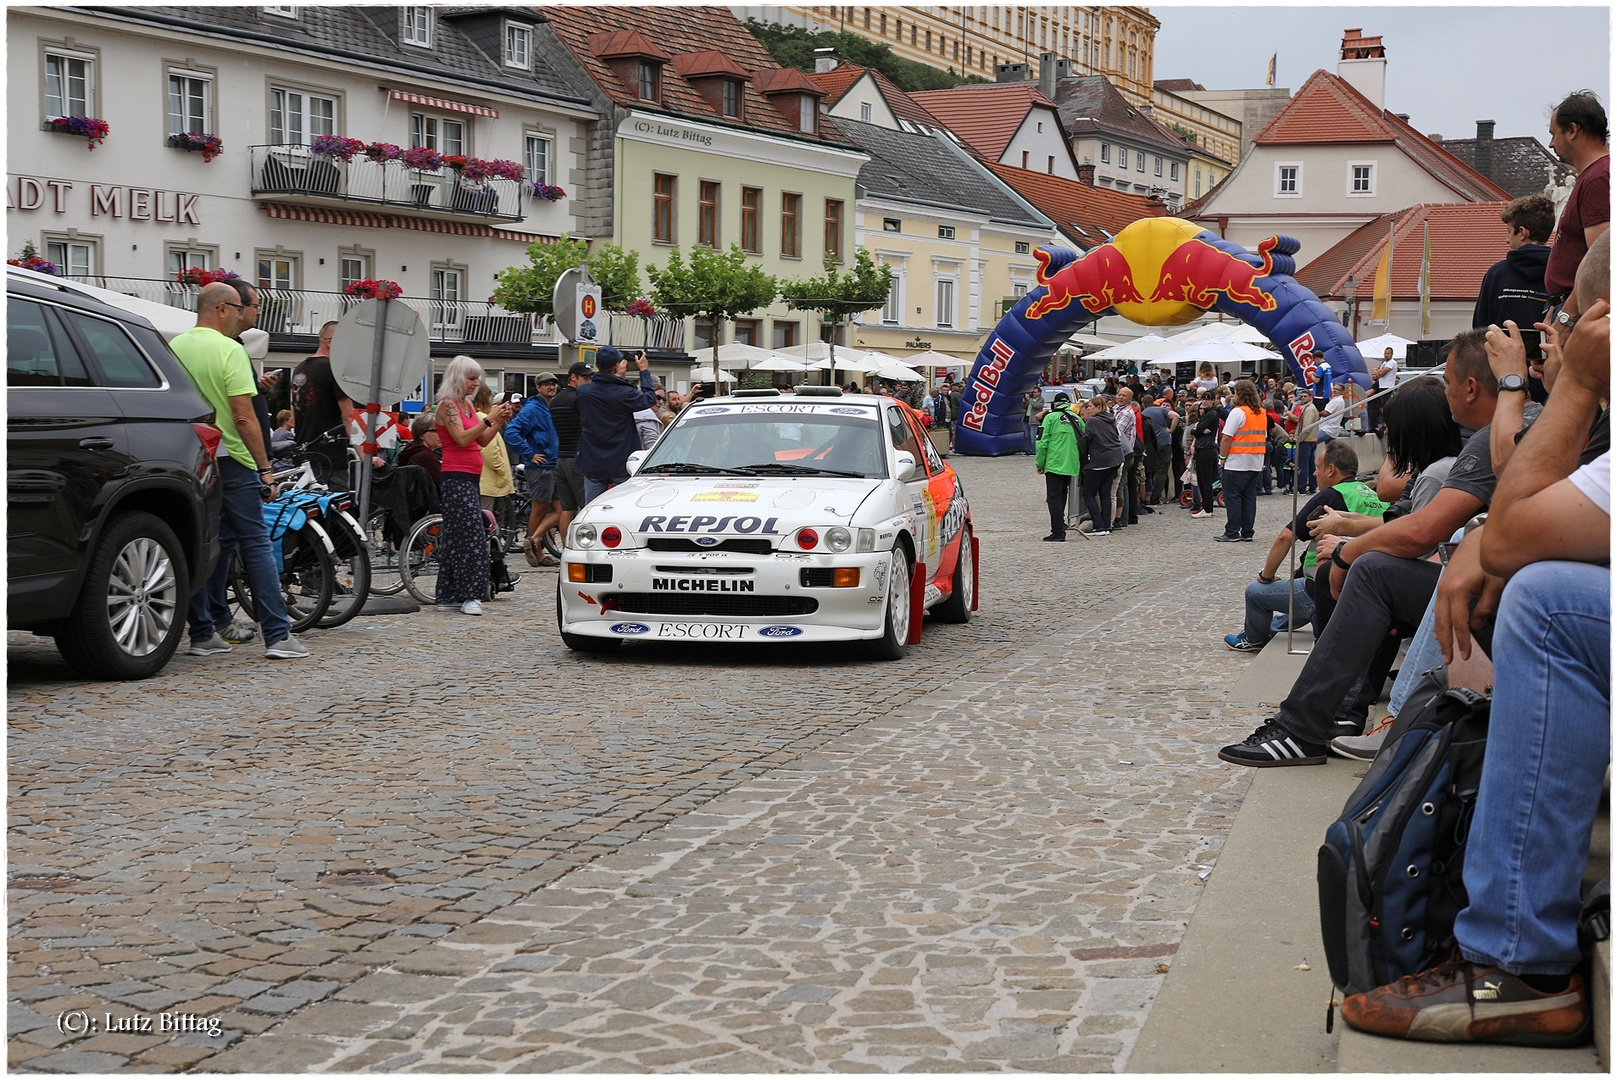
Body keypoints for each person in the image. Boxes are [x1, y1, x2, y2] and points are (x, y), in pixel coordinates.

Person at [1340, 296, 1610, 1049]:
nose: (1544, 345)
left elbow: (1507, 525)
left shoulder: (1555, 404)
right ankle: (1353, 723)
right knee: (1495, 581)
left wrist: (1564, 388)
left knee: (1540, 601)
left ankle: (1513, 958)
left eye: (1557, 330)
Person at [1218, 331, 1510, 766]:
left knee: (1365, 570)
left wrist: (1344, 551)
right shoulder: (1488, 438)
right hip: (1501, 585)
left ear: (1470, 388)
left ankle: (1318, 721)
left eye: (1448, 381)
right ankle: (1334, 714)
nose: (1445, 391)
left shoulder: (1479, 446)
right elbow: (1404, 516)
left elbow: (1418, 530)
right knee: (1368, 567)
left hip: (1500, 595)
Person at [173, 282, 308, 660]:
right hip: (233, 458)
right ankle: (278, 635)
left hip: (194, 458)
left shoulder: (175, 347)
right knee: (256, 543)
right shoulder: (229, 350)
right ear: (221, 309)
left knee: (204, 544)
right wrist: (265, 467)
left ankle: (202, 633)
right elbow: (243, 417)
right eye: (237, 309)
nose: (239, 317)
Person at [1223, 441, 1382, 652]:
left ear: (1331, 470)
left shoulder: (1331, 496)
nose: (1315, 474)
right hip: (1367, 587)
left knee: (1255, 593)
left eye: (1318, 468)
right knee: (1294, 591)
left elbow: (1285, 537)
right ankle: (1276, 626)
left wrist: (1266, 576)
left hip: (1325, 588)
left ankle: (1253, 640)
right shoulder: (1374, 495)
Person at [433, 355, 514, 616]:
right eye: (471, 378)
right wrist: (490, 418)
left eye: (476, 378)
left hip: (468, 476)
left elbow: (480, 440)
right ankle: (470, 594)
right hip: (455, 476)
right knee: (472, 538)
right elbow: (461, 438)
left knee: (457, 538)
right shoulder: (447, 406)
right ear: (458, 378)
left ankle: (448, 594)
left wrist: (498, 419)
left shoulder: (465, 405)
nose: (475, 383)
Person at [1543, 91, 1609, 304]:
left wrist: (1567, 315)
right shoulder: (1594, 175)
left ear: (1572, 130)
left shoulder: (1599, 178)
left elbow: (1600, 260)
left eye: (1554, 134)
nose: (1551, 144)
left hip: (1581, 310)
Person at [575, 346, 658, 504]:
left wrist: (616, 377)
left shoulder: (584, 391)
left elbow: (603, 389)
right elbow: (649, 399)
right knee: (622, 507)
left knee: (592, 508)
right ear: (616, 366)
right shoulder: (624, 393)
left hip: (593, 461)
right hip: (621, 461)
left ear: (597, 365)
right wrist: (644, 370)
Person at [1473, 194, 1554, 333]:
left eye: (1509, 231)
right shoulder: (1560, 275)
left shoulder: (1496, 274)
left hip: (1501, 353)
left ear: (1522, 232)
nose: (1507, 239)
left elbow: (1479, 330)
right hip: (1548, 354)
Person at [504, 371, 560, 566]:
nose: (551, 387)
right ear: (538, 387)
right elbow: (511, 432)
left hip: (552, 465)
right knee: (539, 510)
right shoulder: (532, 408)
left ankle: (535, 539)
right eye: (546, 384)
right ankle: (537, 550)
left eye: (553, 383)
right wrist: (529, 453)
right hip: (540, 467)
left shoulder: (551, 406)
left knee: (559, 510)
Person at [288, 320, 352, 485]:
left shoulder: (300, 368)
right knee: (336, 508)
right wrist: (366, 453)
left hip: (304, 457)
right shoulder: (333, 369)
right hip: (330, 459)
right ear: (329, 342)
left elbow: (293, 418)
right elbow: (348, 417)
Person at [1215, 379, 1265, 542]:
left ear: (1239, 394)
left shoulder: (1238, 412)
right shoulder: (1260, 413)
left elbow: (1226, 438)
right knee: (1249, 498)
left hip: (1237, 461)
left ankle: (1232, 531)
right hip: (1255, 461)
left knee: (1233, 497)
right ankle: (1247, 531)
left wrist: (1222, 457)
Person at [550, 361, 591, 541]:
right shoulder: (579, 399)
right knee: (586, 508)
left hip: (562, 457)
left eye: (590, 378)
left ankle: (566, 550)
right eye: (585, 378)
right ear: (573, 377)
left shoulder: (556, 399)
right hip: (579, 458)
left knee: (567, 509)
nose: (588, 382)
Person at [1035, 391, 1083, 541]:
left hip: (1054, 463)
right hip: (1071, 464)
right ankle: (1061, 525)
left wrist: (1040, 463)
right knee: (1062, 495)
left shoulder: (1050, 418)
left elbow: (1042, 443)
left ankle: (1058, 531)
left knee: (1053, 498)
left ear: (1055, 404)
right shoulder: (1077, 419)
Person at [1078, 395, 1122, 535]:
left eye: (1090, 406)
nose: (1088, 409)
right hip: (1115, 460)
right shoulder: (1110, 420)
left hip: (1100, 460)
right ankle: (1106, 525)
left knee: (1088, 493)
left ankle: (1098, 525)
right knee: (1105, 493)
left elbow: (1085, 440)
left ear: (1098, 407)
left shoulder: (1093, 422)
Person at [1141, 392, 1178, 505]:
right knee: (1161, 471)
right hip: (1164, 442)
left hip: (1151, 444)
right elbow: (1176, 416)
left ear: (1143, 404)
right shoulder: (1161, 410)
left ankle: (1147, 495)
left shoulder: (1143, 413)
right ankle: (1156, 497)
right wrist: (1171, 430)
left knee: (1149, 471)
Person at [1112, 387, 1142, 527]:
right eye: (1119, 394)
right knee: (1122, 485)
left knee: (1121, 486)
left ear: (1130, 399)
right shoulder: (1117, 410)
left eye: (1124, 395)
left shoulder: (1127, 413)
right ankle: (1124, 517)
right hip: (1120, 452)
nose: (1121, 397)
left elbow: (1116, 430)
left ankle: (1122, 518)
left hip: (1124, 452)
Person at [398, 413, 442, 490]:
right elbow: (441, 485)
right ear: (422, 435)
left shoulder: (411, 450)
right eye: (436, 431)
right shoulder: (426, 457)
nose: (442, 434)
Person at [1366, 346, 1398, 435]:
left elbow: (1381, 373)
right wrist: (1380, 372)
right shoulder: (1384, 363)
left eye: (1388, 353)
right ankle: (1383, 424)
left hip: (1387, 387)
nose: (1386, 355)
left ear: (1392, 354)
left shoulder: (1392, 363)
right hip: (1382, 386)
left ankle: (1388, 425)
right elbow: (1379, 373)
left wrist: (1380, 372)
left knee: (1385, 407)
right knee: (1380, 407)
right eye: (1385, 353)